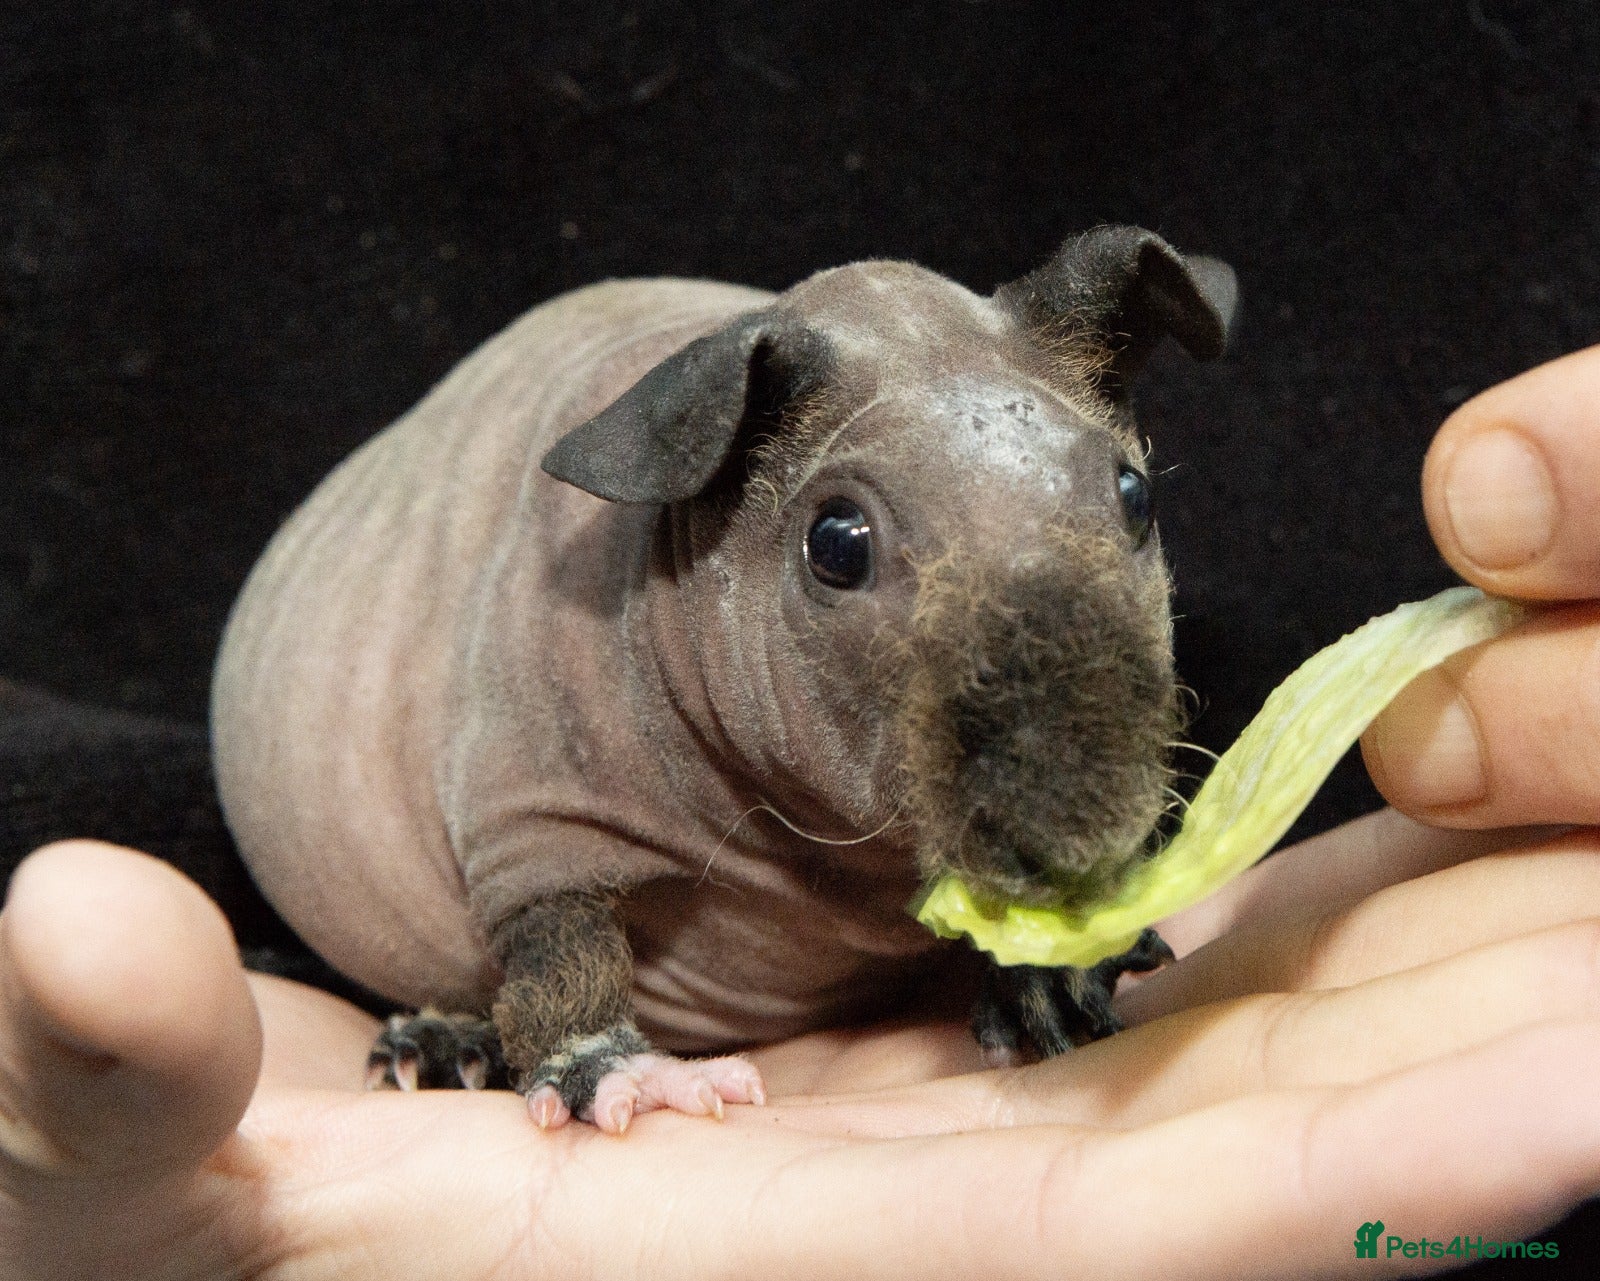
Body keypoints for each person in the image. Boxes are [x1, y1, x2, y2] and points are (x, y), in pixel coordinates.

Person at [5, 346, 1600, 1280]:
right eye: (840, 546)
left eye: (1127, 498)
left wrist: (1029, 945)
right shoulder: (597, 618)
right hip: (361, 896)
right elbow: (533, 843)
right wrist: (579, 1032)